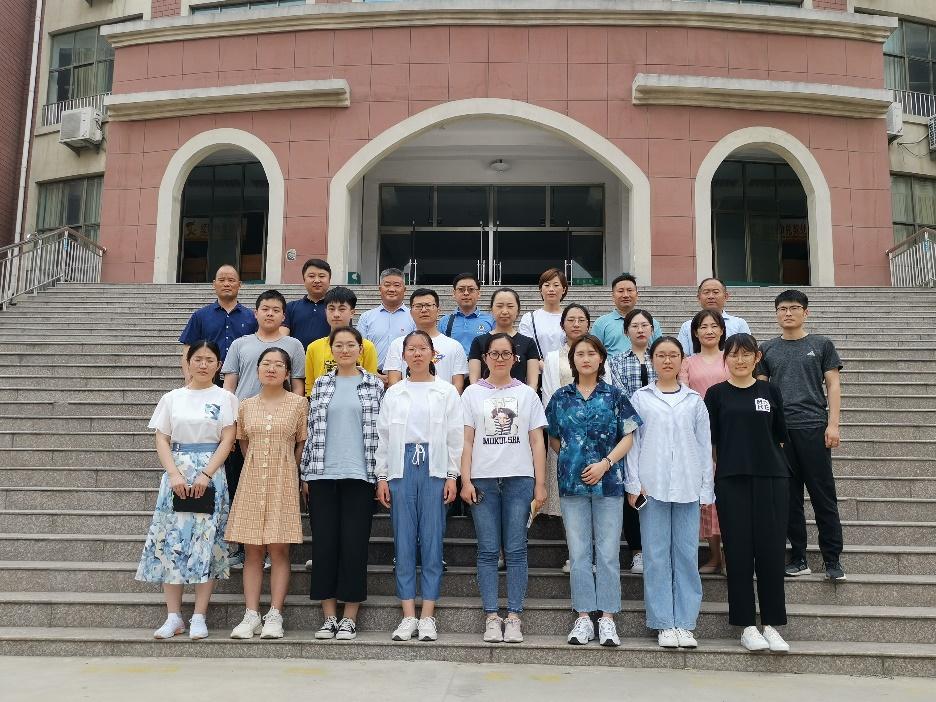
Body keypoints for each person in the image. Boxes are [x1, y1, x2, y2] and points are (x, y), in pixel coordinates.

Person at [545, 334, 642, 648]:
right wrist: (572, 460)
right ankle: (584, 616)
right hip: (572, 486)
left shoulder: (614, 396)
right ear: (572, 360)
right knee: (579, 553)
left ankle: (608, 617)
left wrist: (605, 463)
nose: (585, 358)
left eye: (591, 353)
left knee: (608, 553)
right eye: (580, 354)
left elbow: (628, 436)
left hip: (609, 484)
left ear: (601, 359)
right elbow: (554, 438)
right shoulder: (561, 397)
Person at [137, 341, 237, 640]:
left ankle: (199, 616)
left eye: (210, 359)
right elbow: (162, 438)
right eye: (198, 359)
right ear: (188, 362)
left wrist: (206, 474)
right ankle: (173, 617)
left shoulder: (226, 398)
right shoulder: (172, 398)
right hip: (176, 473)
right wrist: (174, 473)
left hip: (211, 473)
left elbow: (228, 439)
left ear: (218, 365)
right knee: (171, 542)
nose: (203, 364)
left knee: (206, 542)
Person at [375, 330, 464, 642]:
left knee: (432, 539)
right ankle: (407, 615)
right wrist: (382, 476)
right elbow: (383, 437)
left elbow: (455, 435)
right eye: (410, 349)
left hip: (434, 466)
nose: (416, 353)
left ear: (432, 353)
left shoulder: (446, 391)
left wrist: (452, 475)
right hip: (400, 467)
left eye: (422, 348)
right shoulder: (394, 393)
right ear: (403, 356)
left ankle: (427, 614)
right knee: (403, 539)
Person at [706, 333, 792, 653]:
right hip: (732, 480)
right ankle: (746, 625)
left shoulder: (770, 391)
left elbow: (780, 435)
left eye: (746, 354)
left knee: (771, 551)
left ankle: (772, 624)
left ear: (757, 358)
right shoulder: (716, 394)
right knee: (739, 552)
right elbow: (710, 442)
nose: (740, 360)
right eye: (733, 354)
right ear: (725, 359)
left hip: (772, 478)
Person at [460, 333, 548, 644]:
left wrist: (540, 483)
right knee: (487, 550)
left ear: (515, 358)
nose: (499, 359)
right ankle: (491, 616)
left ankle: (514, 616)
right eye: (494, 354)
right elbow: (466, 440)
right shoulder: (471, 393)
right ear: (484, 358)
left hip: (519, 479)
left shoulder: (527, 394)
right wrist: (465, 480)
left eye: (505, 354)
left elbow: (537, 441)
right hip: (483, 479)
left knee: (516, 549)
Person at [626, 336, 714, 650]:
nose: (667, 360)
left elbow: (704, 446)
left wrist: (706, 488)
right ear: (652, 360)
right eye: (661, 355)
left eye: (673, 355)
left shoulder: (695, 401)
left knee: (687, 555)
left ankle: (686, 623)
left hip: (688, 486)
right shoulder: (639, 398)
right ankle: (663, 622)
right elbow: (632, 442)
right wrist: (633, 483)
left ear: (681, 360)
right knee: (656, 556)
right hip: (652, 488)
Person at [300, 326, 385, 642]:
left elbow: (382, 433)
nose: (345, 350)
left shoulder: (375, 386)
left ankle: (349, 617)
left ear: (361, 350)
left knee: (354, 545)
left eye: (351, 345)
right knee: (324, 545)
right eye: (339, 345)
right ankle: (328, 617)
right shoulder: (322, 384)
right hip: (321, 475)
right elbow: (312, 430)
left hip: (360, 476)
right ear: (331, 350)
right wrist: (306, 473)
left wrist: (380, 476)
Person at [756, 289, 845, 582]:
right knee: (789, 498)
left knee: (823, 496)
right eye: (782, 309)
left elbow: (833, 385)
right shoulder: (767, 349)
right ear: (776, 314)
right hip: (781, 433)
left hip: (814, 428)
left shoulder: (821, 345)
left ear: (805, 313)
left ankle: (832, 559)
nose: (788, 313)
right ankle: (798, 557)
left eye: (794, 308)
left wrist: (833, 424)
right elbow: (762, 391)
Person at [226, 347, 308, 640]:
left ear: (287, 373)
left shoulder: (299, 404)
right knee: (252, 550)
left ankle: (275, 614)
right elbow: (243, 443)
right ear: (257, 369)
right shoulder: (245, 405)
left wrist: (288, 468)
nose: (271, 369)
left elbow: (301, 443)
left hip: (283, 479)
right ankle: (251, 614)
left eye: (278, 365)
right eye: (265, 364)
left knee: (279, 549)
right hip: (251, 479)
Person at [221, 290, 305, 516]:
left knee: (277, 491)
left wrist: (296, 416)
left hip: (280, 426)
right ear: (255, 313)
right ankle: (242, 536)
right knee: (241, 485)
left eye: (276, 310)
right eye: (265, 309)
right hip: (245, 424)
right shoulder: (240, 344)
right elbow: (229, 387)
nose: (270, 314)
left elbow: (298, 385)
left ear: (283, 316)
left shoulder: (294, 345)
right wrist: (229, 422)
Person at [606, 308, 658, 574]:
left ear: (652, 329)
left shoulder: (660, 357)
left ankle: (656, 548)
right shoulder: (615, 361)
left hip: (659, 432)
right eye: (635, 326)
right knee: (633, 486)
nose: (640, 329)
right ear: (626, 331)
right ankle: (637, 551)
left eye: (645, 325)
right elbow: (620, 394)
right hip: (628, 432)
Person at [679, 309, 729, 574]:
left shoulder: (731, 358)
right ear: (695, 333)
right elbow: (684, 395)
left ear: (722, 330)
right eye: (703, 326)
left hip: (730, 434)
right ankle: (714, 556)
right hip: (699, 435)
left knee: (728, 494)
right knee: (707, 495)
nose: (709, 331)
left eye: (714, 326)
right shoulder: (687, 362)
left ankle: (732, 554)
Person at [541, 303, 591, 520]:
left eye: (581, 320)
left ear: (588, 325)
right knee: (567, 497)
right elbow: (549, 395)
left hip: (594, 431)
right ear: (562, 325)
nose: (576, 324)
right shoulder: (552, 357)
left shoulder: (598, 354)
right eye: (571, 320)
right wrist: (561, 427)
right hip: (563, 434)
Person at [179, 265, 257, 384]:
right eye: (221, 280)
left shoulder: (252, 317)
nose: (226, 284)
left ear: (239, 284)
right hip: (208, 379)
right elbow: (188, 348)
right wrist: (188, 377)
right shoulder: (200, 316)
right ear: (214, 284)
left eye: (231, 280)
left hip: (243, 380)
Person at [385, 289, 468, 392]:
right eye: (418, 306)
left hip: (443, 400)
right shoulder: (397, 344)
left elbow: (458, 385)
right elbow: (394, 383)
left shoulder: (454, 346)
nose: (424, 310)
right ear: (411, 312)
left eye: (428, 305)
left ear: (438, 310)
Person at [304, 286, 378, 392]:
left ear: (352, 312)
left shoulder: (366, 346)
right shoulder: (313, 347)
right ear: (325, 311)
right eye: (331, 309)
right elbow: (310, 386)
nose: (336, 314)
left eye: (342, 309)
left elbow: (371, 382)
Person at [468, 287, 540, 387]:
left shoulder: (528, 343)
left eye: (510, 306)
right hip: (486, 395)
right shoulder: (479, 341)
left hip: (519, 396)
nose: (505, 311)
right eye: (499, 306)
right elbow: (474, 382)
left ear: (518, 310)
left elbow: (532, 383)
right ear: (492, 309)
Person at [357, 268, 416, 381]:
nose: (392, 289)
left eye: (397, 285)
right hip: (372, 377)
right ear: (380, 289)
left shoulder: (414, 316)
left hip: (406, 377)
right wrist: (374, 374)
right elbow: (358, 350)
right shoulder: (366, 317)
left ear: (404, 289)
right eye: (387, 285)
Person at [677, 278, 751, 357]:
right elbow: (682, 357)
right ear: (699, 297)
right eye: (706, 292)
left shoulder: (739, 324)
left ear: (726, 296)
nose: (711, 296)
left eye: (715, 292)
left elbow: (747, 354)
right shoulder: (687, 326)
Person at [592, 274, 662, 357]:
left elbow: (660, 351)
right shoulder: (601, 323)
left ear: (637, 294)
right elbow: (594, 353)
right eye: (621, 291)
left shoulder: (651, 323)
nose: (625, 295)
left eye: (629, 290)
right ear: (613, 296)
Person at [437, 272, 495, 355]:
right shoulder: (444, 321)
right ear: (454, 293)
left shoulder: (491, 320)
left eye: (471, 289)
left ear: (478, 293)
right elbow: (439, 350)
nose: (466, 293)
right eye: (461, 289)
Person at [518, 268, 568, 362]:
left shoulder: (570, 318)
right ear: (540, 289)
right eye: (547, 285)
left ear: (564, 290)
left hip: (566, 369)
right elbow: (525, 348)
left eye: (556, 285)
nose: (551, 289)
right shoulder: (529, 318)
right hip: (536, 369)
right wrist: (544, 366)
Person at [284, 258, 332, 352]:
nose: (317, 280)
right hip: (298, 359)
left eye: (322, 276)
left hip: (328, 359)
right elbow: (283, 337)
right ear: (304, 280)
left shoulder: (337, 309)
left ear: (329, 280)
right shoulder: (290, 307)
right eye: (311, 276)